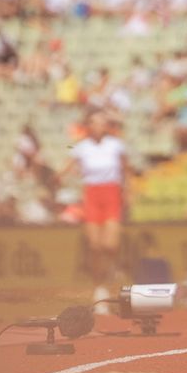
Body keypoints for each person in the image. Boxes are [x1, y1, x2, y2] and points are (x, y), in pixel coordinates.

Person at [56, 109, 126, 312]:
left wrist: (127, 190)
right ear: (89, 126)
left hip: (111, 193)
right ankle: (100, 288)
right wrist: (57, 177)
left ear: (106, 126)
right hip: (92, 195)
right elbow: (67, 167)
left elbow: (125, 168)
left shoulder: (115, 145)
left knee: (110, 244)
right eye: (94, 122)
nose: (98, 126)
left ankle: (110, 270)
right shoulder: (81, 147)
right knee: (95, 246)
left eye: (102, 122)